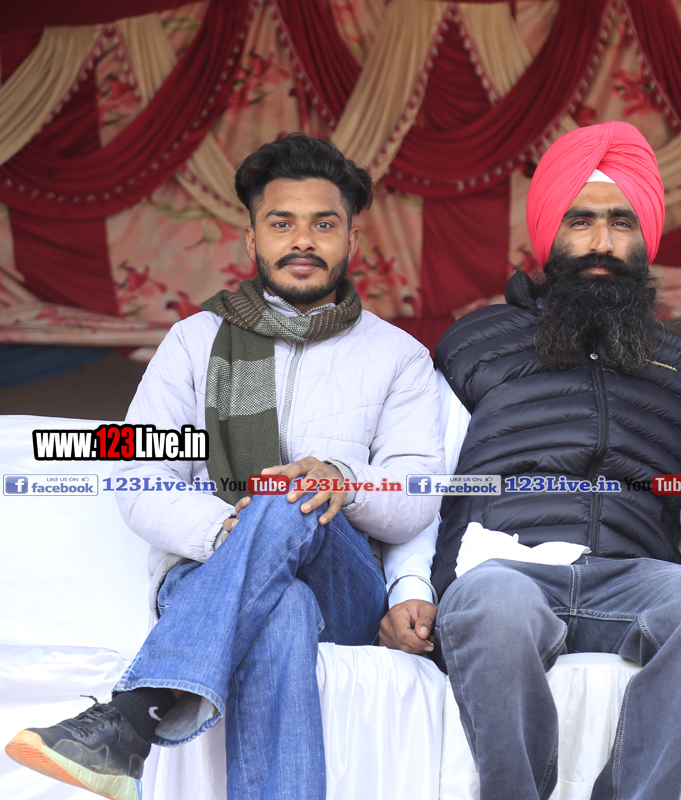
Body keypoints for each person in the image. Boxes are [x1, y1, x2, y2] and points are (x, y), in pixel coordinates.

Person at [5, 133, 445, 800]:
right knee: (283, 605)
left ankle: (133, 715)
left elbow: (415, 495)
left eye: (324, 224)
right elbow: (138, 474)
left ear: (352, 239)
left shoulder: (399, 356)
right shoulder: (193, 343)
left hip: (344, 583)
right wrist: (223, 530)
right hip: (206, 567)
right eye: (282, 223)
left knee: (294, 493)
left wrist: (343, 481)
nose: (303, 241)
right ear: (251, 238)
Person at [378, 121, 681, 800]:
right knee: (495, 606)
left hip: (632, 576)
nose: (601, 242)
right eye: (581, 221)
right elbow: (426, 484)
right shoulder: (476, 344)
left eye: (621, 222)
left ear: (645, 238)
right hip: (502, 567)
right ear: (550, 234)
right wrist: (410, 587)